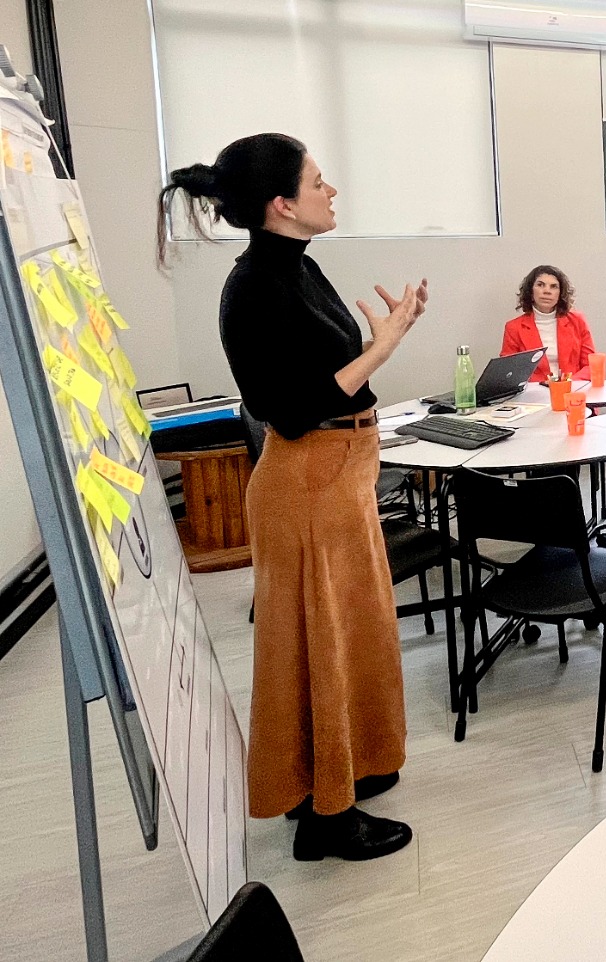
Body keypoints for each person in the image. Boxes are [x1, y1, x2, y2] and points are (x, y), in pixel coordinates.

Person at [158, 134, 419, 861]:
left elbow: (328, 367)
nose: (329, 190)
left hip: (340, 477)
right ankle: (324, 819)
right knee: (319, 645)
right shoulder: (254, 286)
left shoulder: (298, 268)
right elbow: (291, 406)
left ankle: (340, 769)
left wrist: (375, 340)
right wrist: (385, 343)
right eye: (317, 181)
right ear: (281, 204)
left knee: (351, 633)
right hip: (307, 483)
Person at [501, 265, 598, 382]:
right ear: (531, 291)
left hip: (572, 390)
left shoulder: (577, 321)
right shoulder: (513, 328)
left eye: (553, 286)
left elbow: (591, 365)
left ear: (560, 293)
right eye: (540, 285)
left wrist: (567, 383)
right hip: (533, 395)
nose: (547, 291)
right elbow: (509, 372)